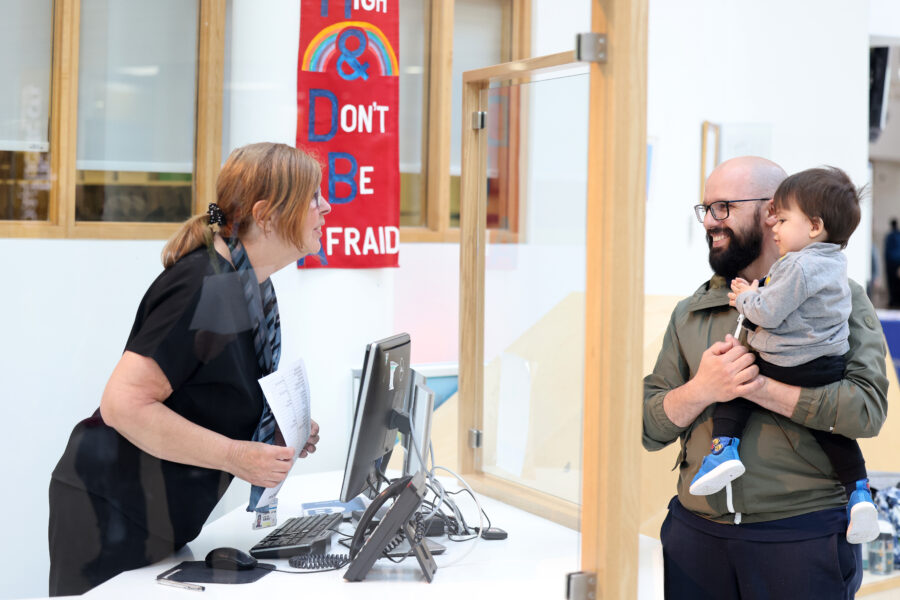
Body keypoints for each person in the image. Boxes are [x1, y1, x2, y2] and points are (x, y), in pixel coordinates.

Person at [48, 142, 330, 596]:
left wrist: (275, 430)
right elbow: (124, 404)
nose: (326, 208)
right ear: (267, 215)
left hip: (158, 509)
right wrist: (238, 457)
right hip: (110, 506)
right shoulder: (204, 285)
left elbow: (210, 391)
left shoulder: (252, 287)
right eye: (314, 198)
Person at [643, 156, 889, 600]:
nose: (710, 223)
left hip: (801, 541)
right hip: (694, 539)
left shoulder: (843, 300)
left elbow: (867, 412)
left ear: (770, 209)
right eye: (706, 210)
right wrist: (702, 390)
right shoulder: (690, 312)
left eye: (722, 207)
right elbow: (649, 426)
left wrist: (760, 388)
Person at [689, 167, 879, 545]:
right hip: (826, 365)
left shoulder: (797, 263)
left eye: (783, 218)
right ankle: (859, 490)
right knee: (832, 433)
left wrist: (745, 297)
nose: (775, 225)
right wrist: (761, 288)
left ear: (813, 226)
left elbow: (769, 312)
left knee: (735, 380)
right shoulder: (834, 263)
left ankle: (723, 449)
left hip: (788, 361)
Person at [886, 218, 900, 308]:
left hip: (891, 264)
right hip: (898, 264)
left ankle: (893, 301)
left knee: (891, 284)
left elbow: (886, 252)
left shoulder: (889, 236)